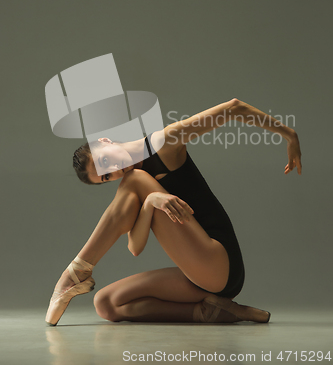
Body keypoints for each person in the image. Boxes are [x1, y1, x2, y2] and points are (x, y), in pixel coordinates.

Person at [45, 98, 302, 326]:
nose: (114, 170)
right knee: (106, 303)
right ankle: (217, 312)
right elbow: (135, 247)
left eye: (104, 161)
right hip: (199, 275)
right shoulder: (137, 189)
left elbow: (233, 108)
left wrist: (289, 134)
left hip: (220, 263)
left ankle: (76, 273)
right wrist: (150, 203)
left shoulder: (163, 145)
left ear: (104, 140)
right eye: (106, 176)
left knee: (136, 178)